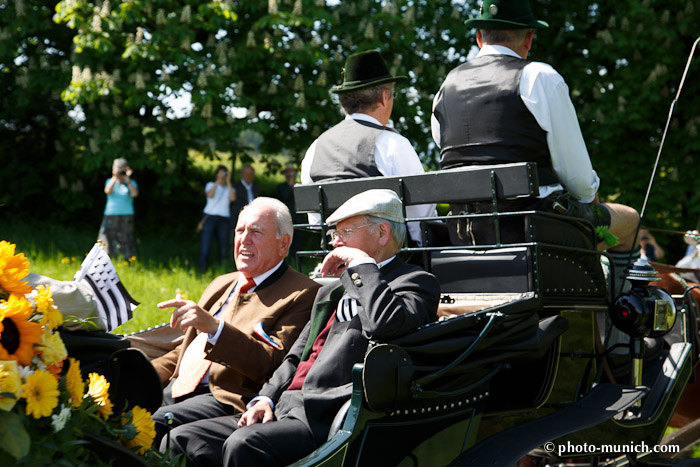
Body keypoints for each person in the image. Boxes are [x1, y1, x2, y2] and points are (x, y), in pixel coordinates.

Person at [165, 189, 441, 466]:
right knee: (181, 438)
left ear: (382, 233)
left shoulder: (416, 282)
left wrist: (363, 266)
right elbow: (295, 357)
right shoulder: (332, 291)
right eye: (335, 234)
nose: (337, 242)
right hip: (286, 406)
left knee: (244, 444)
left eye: (346, 231)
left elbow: (385, 325)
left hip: (327, 414)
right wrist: (265, 400)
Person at [431, 0, 640, 295]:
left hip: (463, 233)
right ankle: (622, 327)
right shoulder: (539, 77)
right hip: (538, 229)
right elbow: (580, 183)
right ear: (528, 38)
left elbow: (448, 154)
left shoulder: (445, 87)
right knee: (630, 219)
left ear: (479, 37)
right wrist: (589, 199)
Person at [150, 197, 321, 448]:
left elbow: (273, 364)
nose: (244, 240)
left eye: (256, 232)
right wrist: (143, 374)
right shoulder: (222, 282)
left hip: (227, 398)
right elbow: (186, 351)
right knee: (117, 407)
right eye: (240, 230)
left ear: (283, 244)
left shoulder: (302, 293)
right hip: (178, 388)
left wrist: (215, 328)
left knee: (147, 426)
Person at [301, 49, 436, 246]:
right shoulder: (392, 144)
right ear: (383, 97)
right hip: (392, 266)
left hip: (335, 262)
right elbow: (421, 223)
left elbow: (316, 224)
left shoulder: (315, 148)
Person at [199, 165, 236, 273]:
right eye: (220, 173)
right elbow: (210, 195)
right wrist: (217, 182)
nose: (223, 175)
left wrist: (228, 182)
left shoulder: (230, 188)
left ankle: (222, 269)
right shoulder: (210, 184)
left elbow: (233, 198)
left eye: (225, 173)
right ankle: (202, 269)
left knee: (223, 245)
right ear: (216, 174)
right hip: (210, 217)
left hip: (224, 219)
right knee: (206, 244)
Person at [99, 157, 139, 259]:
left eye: (122, 168)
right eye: (118, 168)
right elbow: (107, 191)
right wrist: (114, 177)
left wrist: (127, 179)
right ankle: (108, 258)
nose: (120, 171)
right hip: (110, 214)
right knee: (106, 238)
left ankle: (126, 258)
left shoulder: (131, 183)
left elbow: (134, 194)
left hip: (126, 214)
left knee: (126, 238)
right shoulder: (110, 181)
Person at [276, 163, 305, 264]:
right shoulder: (281, 187)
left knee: (299, 241)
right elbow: (284, 196)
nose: (291, 174)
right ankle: (286, 262)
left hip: (298, 218)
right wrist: (290, 184)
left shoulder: (299, 186)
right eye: (288, 172)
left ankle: (298, 262)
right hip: (286, 218)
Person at [230, 165, 261, 257]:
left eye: (250, 174)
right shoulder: (235, 186)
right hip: (237, 218)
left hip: (253, 220)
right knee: (234, 241)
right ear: (242, 174)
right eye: (246, 173)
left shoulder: (256, 187)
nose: (248, 176)